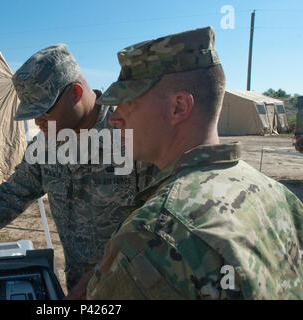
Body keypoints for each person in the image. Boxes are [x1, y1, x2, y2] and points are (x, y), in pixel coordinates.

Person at [79, 26, 303, 299]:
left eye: (128, 103)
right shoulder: (276, 193)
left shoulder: (158, 230)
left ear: (179, 107)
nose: (115, 118)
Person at [0, 44, 157, 292]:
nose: (37, 122)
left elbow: (160, 229)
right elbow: (11, 195)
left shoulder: (135, 138)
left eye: (43, 111)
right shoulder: (47, 145)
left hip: (133, 286)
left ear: (75, 93)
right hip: (77, 286)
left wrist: (100, 276)